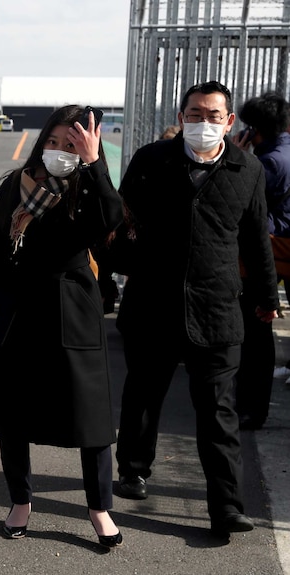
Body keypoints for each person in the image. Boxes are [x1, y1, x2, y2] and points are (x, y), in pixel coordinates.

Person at [114, 81, 279, 538]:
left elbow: (255, 242)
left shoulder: (247, 169)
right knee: (144, 392)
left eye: (212, 115)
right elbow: (122, 223)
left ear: (229, 122)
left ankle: (226, 505)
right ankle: (132, 468)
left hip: (218, 309)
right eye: (194, 114)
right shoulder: (150, 161)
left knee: (219, 412)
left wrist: (267, 298)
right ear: (181, 116)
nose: (202, 123)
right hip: (153, 305)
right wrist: (121, 270)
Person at [0, 105, 124, 547]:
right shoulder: (19, 184)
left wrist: (92, 164)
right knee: (15, 412)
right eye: (52, 142)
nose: (58, 151)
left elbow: (111, 220)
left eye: (69, 144)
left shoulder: (89, 185)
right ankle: (20, 501)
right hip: (19, 307)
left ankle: (99, 508)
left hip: (74, 305)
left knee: (90, 416)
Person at [232, 92, 290, 429]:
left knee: (255, 334)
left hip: (268, 251)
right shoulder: (281, 153)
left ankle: (252, 409)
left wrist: (238, 159)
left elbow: (243, 201)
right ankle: (253, 407)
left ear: (255, 130)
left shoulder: (269, 163)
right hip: (277, 250)